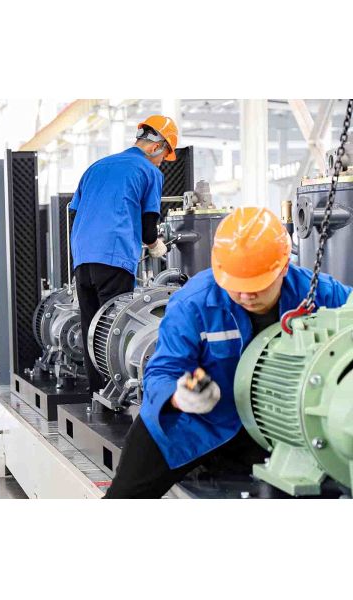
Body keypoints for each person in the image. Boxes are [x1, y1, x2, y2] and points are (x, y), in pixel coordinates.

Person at [105, 206, 353, 498]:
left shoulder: (318, 293)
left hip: (273, 427)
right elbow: (162, 371)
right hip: (195, 425)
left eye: (257, 285)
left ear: (284, 267)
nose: (246, 295)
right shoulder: (194, 302)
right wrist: (179, 395)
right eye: (236, 285)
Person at [69, 115, 179, 395]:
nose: (162, 162)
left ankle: (97, 395)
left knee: (92, 327)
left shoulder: (97, 166)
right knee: (115, 329)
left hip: (82, 257)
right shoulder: (149, 171)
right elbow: (148, 227)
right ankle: (117, 394)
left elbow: (73, 212)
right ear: (156, 146)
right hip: (114, 256)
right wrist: (155, 246)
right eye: (164, 155)